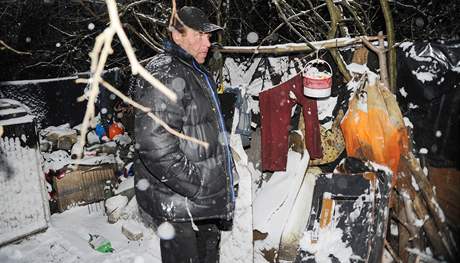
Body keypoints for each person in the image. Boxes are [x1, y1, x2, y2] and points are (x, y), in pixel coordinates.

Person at [133, 5, 236, 263]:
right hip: (182, 207)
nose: (207, 42)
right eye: (199, 35)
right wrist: (196, 185)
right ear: (177, 36)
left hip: (200, 205)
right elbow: (153, 144)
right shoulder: (167, 73)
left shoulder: (193, 71)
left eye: (209, 36)